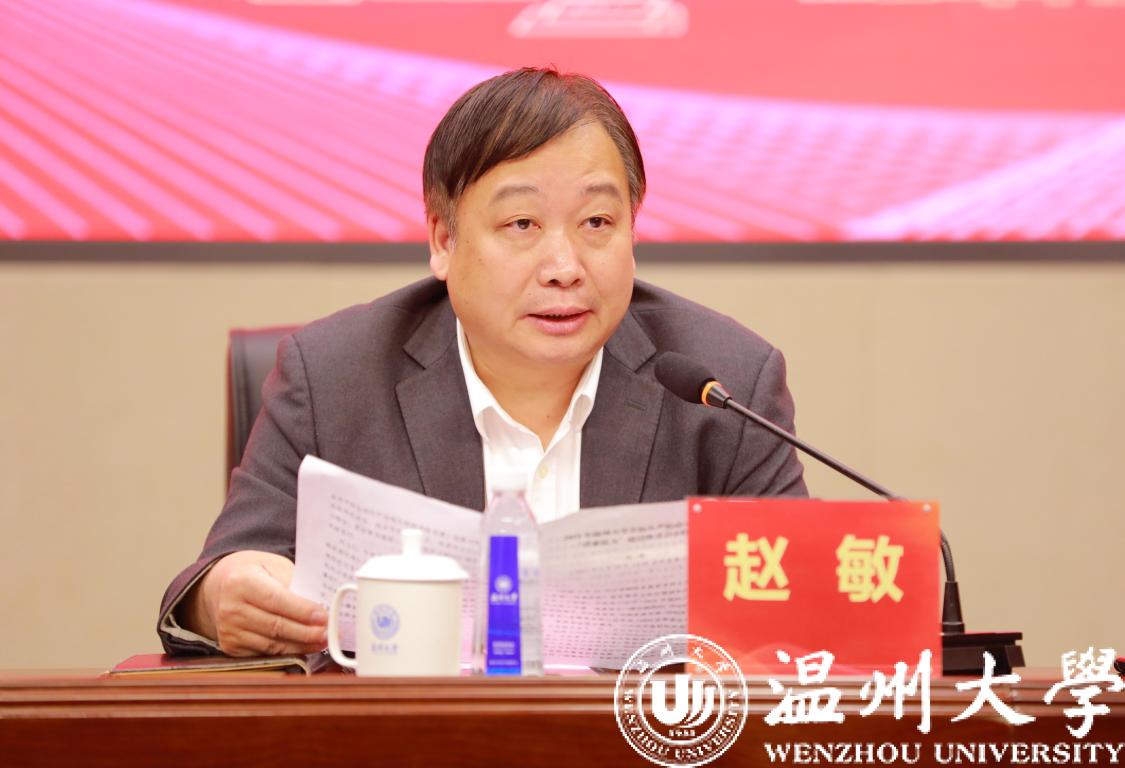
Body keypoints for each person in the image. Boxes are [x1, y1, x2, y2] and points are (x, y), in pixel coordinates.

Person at [158, 67, 807, 658]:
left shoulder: (725, 385)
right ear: (444, 240)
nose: (564, 268)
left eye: (597, 222)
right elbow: (226, 573)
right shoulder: (333, 377)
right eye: (522, 224)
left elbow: (795, 618)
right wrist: (222, 597)